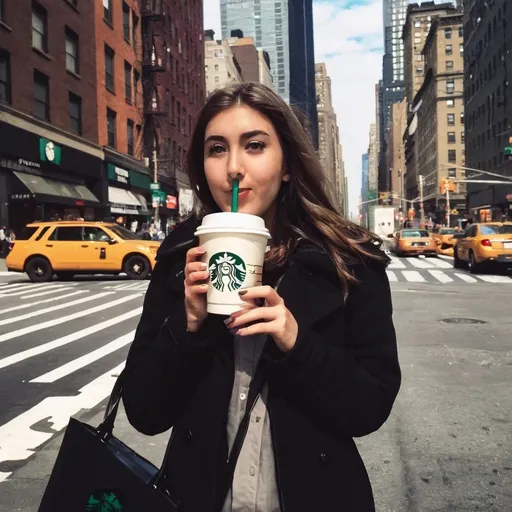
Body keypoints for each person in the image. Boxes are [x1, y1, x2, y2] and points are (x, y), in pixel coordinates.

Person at [122, 82, 401, 512]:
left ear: (286, 164)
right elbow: (143, 412)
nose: (234, 167)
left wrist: (296, 341)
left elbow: (370, 406)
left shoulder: (349, 261)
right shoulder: (182, 255)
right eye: (217, 149)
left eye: (254, 145)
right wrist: (188, 326)